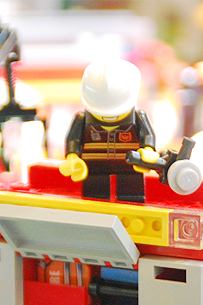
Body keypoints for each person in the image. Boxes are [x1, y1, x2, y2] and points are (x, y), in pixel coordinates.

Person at [59, 59, 158, 203]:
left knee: (131, 197)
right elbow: (73, 140)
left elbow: (147, 136)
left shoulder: (138, 118)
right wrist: (73, 158)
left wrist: (148, 151)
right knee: (94, 197)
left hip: (130, 167)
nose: (108, 117)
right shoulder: (81, 119)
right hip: (93, 168)